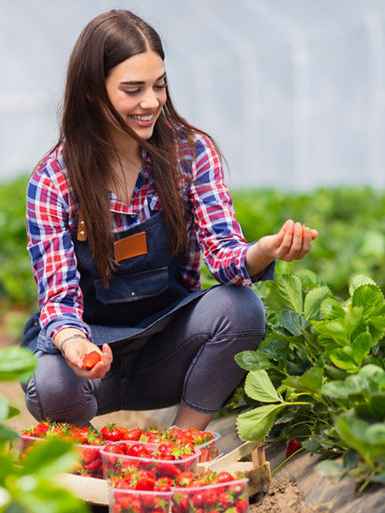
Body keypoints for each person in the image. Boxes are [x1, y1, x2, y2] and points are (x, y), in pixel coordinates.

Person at [21, 9, 318, 431]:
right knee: (49, 380)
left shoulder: (190, 153)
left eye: (159, 85)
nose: (152, 102)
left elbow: (224, 257)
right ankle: (86, 455)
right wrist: (76, 348)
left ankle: (182, 442)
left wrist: (264, 250)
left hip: (167, 352)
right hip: (90, 363)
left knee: (241, 308)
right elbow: (59, 300)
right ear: (91, 91)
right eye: (132, 89)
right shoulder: (54, 180)